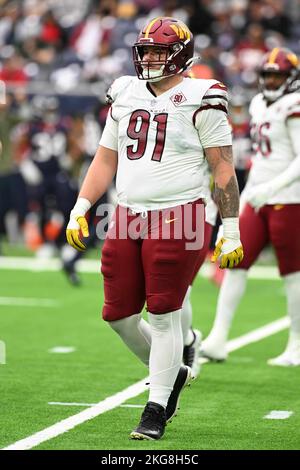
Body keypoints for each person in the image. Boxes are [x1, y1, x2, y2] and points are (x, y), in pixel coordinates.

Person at [66, 17, 243, 440]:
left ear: (180, 55)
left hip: (180, 213)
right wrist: (81, 206)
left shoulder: (203, 95)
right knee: (118, 315)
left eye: (159, 52)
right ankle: (173, 373)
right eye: (144, 51)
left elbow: (222, 166)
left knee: (164, 314)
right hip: (127, 213)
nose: (149, 59)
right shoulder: (125, 91)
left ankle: (156, 406)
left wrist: (230, 227)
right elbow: (105, 158)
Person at [201, 47, 300, 367]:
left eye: (278, 75)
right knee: (234, 260)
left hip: (290, 199)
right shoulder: (258, 104)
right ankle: (218, 336)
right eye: (267, 74)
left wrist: (272, 187)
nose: (271, 81)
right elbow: (262, 158)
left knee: (293, 273)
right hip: (258, 198)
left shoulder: (294, 105)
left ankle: (297, 343)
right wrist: (247, 195)